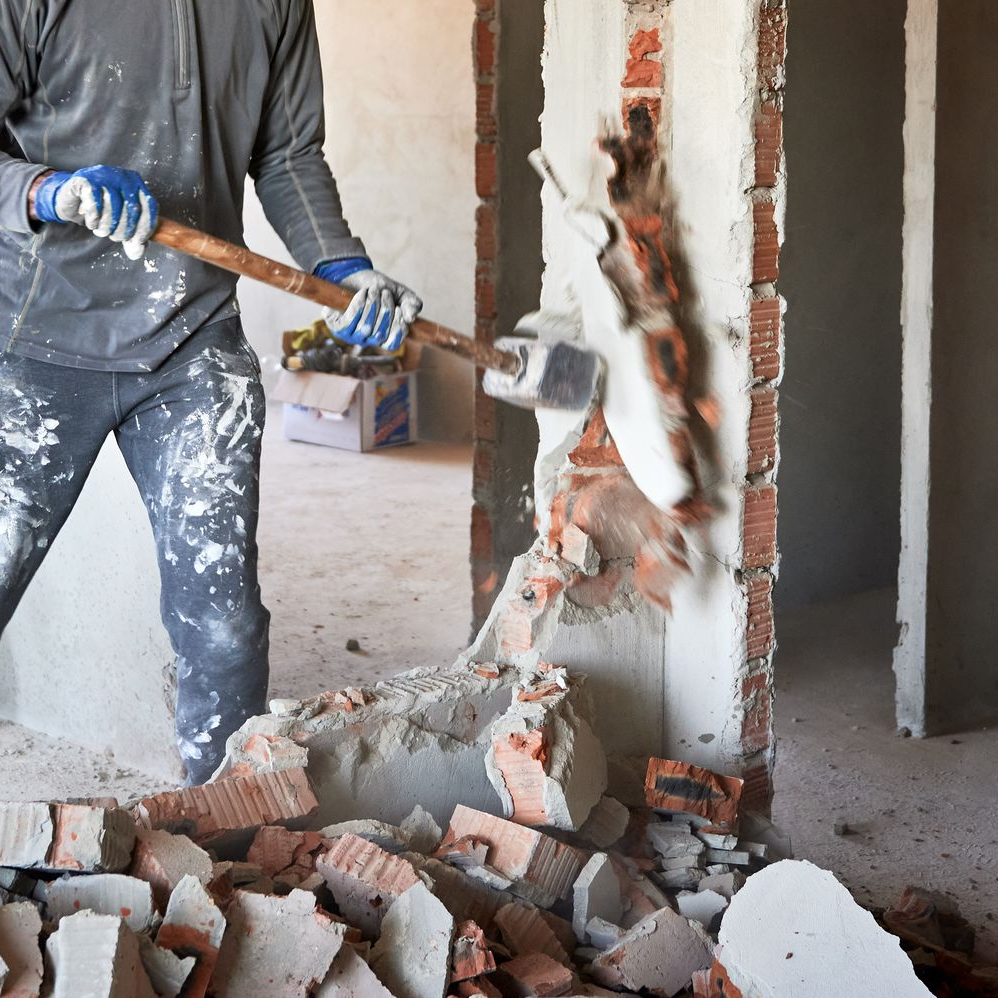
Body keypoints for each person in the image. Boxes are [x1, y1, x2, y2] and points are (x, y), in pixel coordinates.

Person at [0, 0, 422, 784]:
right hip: (35, 343)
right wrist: (49, 190)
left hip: (194, 346)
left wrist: (340, 265)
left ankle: (225, 840)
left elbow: (290, 152)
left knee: (223, 624)